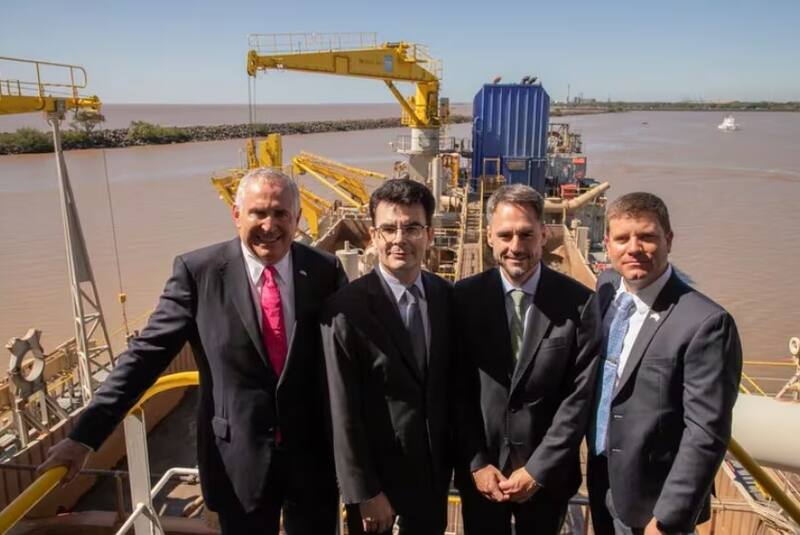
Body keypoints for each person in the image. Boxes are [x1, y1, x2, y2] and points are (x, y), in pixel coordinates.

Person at [37, 169, 347, 535]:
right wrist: (83, 437)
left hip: (313, 457)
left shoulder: (324, 269)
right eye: (258, 213)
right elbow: (146, 355)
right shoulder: (198, 273)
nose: (270, 225)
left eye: (281, 214)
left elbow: (349, 357)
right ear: (236, 214)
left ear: (296, 218)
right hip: (237, 461)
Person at [587, 192, 742, 535]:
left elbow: (706, 433)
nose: (634, 248)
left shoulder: (706, 323)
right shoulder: (607, 288)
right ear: (608, 244)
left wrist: (669, 519)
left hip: (654, 504)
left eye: (647, 236)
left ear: (668, 240)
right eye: (622, 238)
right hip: (603, 481)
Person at [453, 183, 601, 535]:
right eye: (505, 235)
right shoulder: (462, 299)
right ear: (489, 237)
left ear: (543, 235)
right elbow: (455, 389)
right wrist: (477, 464)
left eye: (525, 234)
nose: (515, 246)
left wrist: (538, 469)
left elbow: (578, 400)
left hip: (547, 479)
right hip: (484, 477)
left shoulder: (579, 304)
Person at [321, 178, 454, 535]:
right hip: (377, 487)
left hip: (432, 480)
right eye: (389, 228)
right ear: (372, 235)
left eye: (412, 227)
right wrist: (364, 491)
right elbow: (342, 410)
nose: (400, 239)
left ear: (428, 234)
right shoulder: (345, 311)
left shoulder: (446, 297)